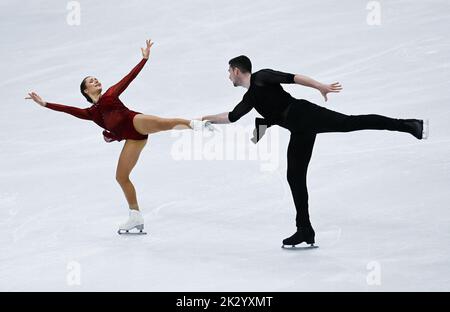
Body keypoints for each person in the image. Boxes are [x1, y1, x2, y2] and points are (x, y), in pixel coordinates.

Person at [202, 55, 428, 247]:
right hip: (299, 130)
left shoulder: (262, 76)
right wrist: (206, 119)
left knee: (351, 123)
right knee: (294, 177)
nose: (229, 76)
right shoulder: (250, 97)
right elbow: (232, 117)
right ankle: (305, 230)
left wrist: (320, 85)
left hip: (305, 114)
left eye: (229, 72)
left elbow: (293, 78)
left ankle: (409, 124)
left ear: (237, 70)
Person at [25, 39, 214, 234]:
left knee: (162, 124)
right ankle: (135, 216)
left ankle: (197, 124)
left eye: (96, 79)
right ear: (86, 91)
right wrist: (45, 104)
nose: (96, 81)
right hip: (133, 139)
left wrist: (144, 60)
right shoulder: (91, 113)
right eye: (91, 81)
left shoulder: (109, 95)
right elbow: (69, 110)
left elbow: (128, 78)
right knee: (121, 177)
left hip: (134, 122)